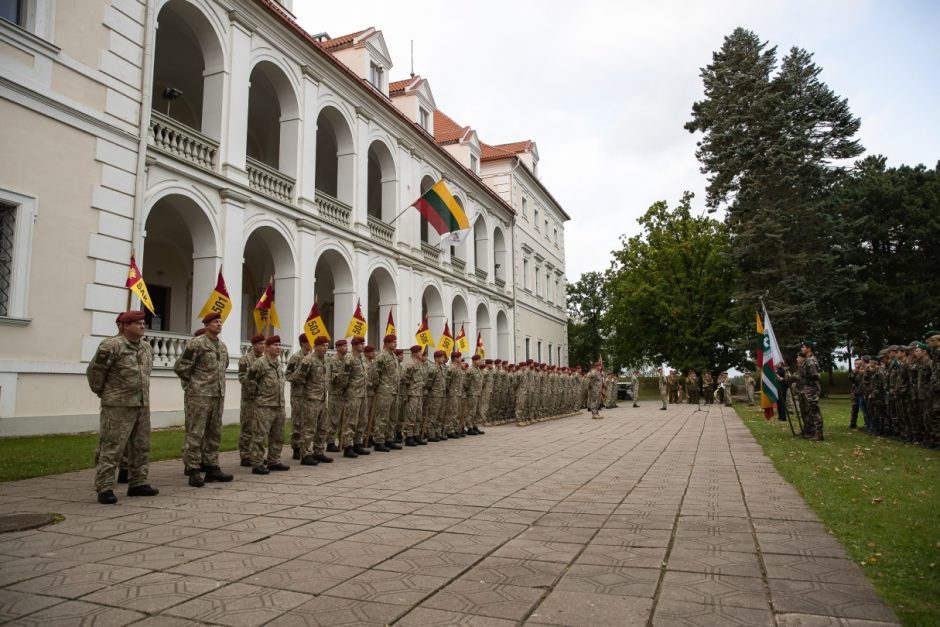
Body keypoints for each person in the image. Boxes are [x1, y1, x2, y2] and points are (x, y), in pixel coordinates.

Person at [87, 311, 158, 504]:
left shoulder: (146, 348)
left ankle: (138, 483)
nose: (142, 326)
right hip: (118, 405)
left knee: (141, 446)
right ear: (124, 326)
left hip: (141, 404)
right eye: (137, 323)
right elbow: (95, 373)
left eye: (143, 323)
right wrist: (105, 393)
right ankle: (104, 487)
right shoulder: (111, 346)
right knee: (112, 447)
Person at [173, 312, 233, 487]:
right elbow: (181, 367)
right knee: (196, 432)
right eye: (215, 321)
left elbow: (224, 366)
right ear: (206, 325)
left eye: (220, 321)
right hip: (199, 395)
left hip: (217, 394)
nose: (219, 324)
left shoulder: (222, 346)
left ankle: (212, 466)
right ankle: (193, 469)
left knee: (214, 432)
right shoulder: (196, 344)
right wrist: (194, 384)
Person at [245, 335, 290, 473]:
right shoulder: (260, 363)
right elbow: (249, 381)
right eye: (275, 345)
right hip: (264, 405)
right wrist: (257, 395)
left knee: (278, 435)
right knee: (259, 435)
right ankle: (257, 462)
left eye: (279, 345)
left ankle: (274, 460)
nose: (278, 347)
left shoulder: (279, 364)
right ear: (267, 347)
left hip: (279, 405)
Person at [290, 336, 333, 465]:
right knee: (309, 428)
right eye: (323, 345)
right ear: (316, 346)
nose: (325, 348)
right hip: (310, 399)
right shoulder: (308, 360)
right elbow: (297, 377)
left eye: (326, 345)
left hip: (322, 398)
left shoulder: (326, 360)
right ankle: (306, 454)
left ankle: (319, 452)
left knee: (322, 427)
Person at [238, 335, 265, 466]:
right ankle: (245, 455)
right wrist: (255, 384)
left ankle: (256, 454)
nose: (262, 346)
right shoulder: (246, 359)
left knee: (259, 429)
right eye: (260, 344)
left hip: (263, 399)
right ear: (253, 345)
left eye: (264, 344)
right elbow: (242, 377)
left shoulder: (265, 360)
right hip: (249, 398)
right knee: (247, 427)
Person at [370, 335, 401, 453]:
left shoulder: (393, 355)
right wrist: (377, 387)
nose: (395, 344)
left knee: (392, 417)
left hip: (394, 390)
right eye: (393, 342)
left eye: (396, 342)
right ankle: (379, 441)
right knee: (382, 416)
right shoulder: (381, 356)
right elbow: (375, 373)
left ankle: (389, 439)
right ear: (387, 343)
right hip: (385, 390)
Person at [286, 334, 311, 460]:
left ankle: (305, 447)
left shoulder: (313, 357)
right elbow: (288, 375)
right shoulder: (295, 357)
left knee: (308, 422)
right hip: (298, 394)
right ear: (302, 343)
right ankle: (296, 447)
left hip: (310, 395)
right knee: (297, 422)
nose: (310, 343)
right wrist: (300, 374)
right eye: (308, 341)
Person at [800, 340, 823, 441]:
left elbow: (815, 375)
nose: (802, 348)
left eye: (804, 347)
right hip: (808, 389)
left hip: (811, 389)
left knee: (815, 412)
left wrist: (805, 378)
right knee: (810, 412)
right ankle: (812, 432)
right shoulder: (807, 360)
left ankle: (819, 434)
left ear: (809, 348)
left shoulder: (810, 360)